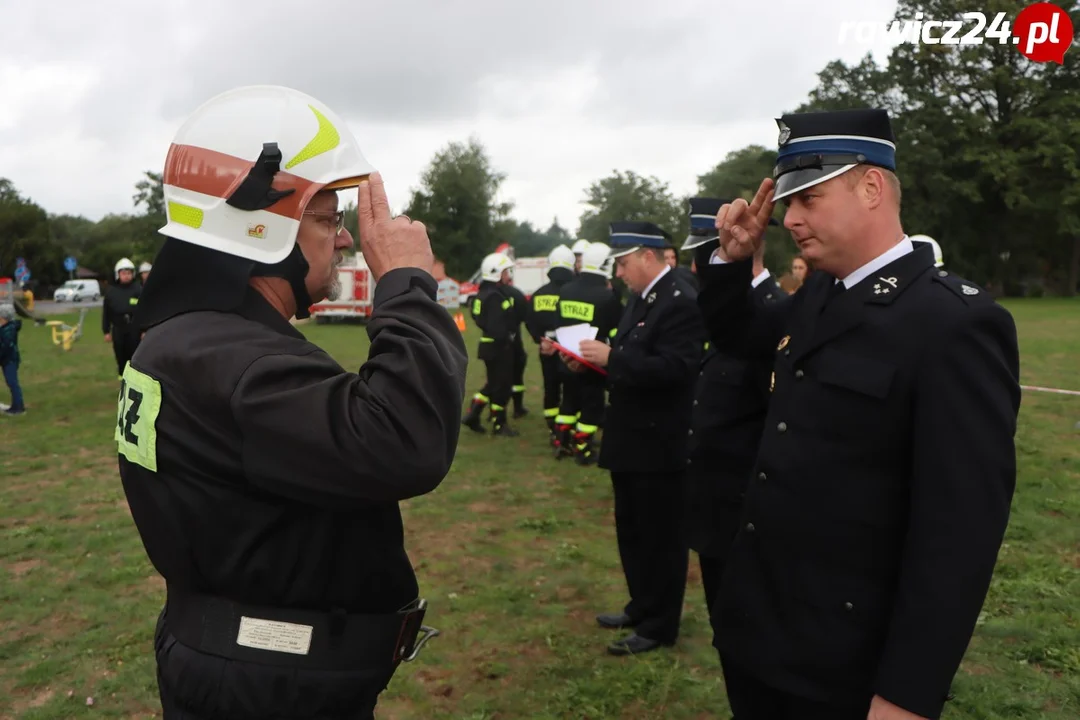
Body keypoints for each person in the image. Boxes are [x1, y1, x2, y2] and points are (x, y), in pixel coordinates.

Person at [117, 85, 468, 720]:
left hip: (233, 660)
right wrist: (408, 285)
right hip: (270, 687)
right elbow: (406, 441)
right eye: (329, 218)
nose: (341, 241)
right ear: (264, 220)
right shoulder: (242, 363)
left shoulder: (178, 340)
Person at [703, 108, 1021, 720]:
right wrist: (732, 262)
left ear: (871, 187)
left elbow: (958, 534)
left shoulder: (953, 324)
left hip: (843, 664)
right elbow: (742, 342)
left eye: (809, 199)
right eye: (788, 202)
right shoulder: (823, 290)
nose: (790, 218)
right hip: (762, 635)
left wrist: (906, 693)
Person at [578, 221, 705, 656]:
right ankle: (641, 604)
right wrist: (594, 363)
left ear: (649, 256)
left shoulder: (681, 301)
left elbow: (676, 369)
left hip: (660, 443)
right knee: (632, 530)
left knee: (661, 537)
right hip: (630, 437)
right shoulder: (640, 299)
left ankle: (660, 623)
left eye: (625, 263)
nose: (619, 272)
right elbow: (632, 356)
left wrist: (613, 358)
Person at [680, 197, 788, 623]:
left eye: (703, 255)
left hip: (745, 508)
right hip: (717, 500)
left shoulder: (772, 314)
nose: (695, 268)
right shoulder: (726, 311)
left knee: (745, 625)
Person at [550, 241, 622, 465]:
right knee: (592, 406)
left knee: (568, 402)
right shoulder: (607, 296)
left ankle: (561, 442)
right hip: (594, 360)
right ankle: (584, 449)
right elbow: (616, 331)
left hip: (567, 357)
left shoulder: (566, 289)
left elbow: (559, 323)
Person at [461, 251, 520, 437]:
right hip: (498, 347)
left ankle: (475, 415)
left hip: (489, 346)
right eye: (505, 272)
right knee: (501, 385)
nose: (508, 276)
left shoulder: (483, 294)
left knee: (494, 384)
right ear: (495, 273)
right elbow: (497, 327)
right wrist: (508, 335)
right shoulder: (495, 296)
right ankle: (497, 423)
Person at [525, 244, 576, 443]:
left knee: (550, 387)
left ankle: (552, 426)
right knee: (571, 389)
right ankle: (566, 428)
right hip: (568, 350)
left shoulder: (538, 294)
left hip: (546, 349)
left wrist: (540, 340)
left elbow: (529, 320)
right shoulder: (573, 292)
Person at [103, 257, 142, 379]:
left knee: (135, 353)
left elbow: (144, 310)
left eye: (129, 273)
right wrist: (106, 331)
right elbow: (106, 312)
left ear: (133, 274)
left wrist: (144, 329)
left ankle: (136, 377)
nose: (126, 276)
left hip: (134, 327)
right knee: (120, 352)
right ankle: (122, 376)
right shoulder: (111, 291)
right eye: (124, 273)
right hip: (118, 327)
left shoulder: (138, 289)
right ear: (118, 274)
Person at [501, 272, 531, 419]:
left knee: (497, 377)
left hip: (496, 340)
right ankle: (517, 408)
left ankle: (498, 410)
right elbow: (525, 313)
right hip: (514, 338)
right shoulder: (516, 293)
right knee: (515, 375)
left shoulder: (490, 293)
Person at [0, 303, 25, 416]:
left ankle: (19, 408)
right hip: (6, 359)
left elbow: (6, 347)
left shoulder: (9, 329)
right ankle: (15, 406)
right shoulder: (5, 327)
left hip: (10, 360)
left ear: (4, 317)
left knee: (12, 382)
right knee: (11, 383)